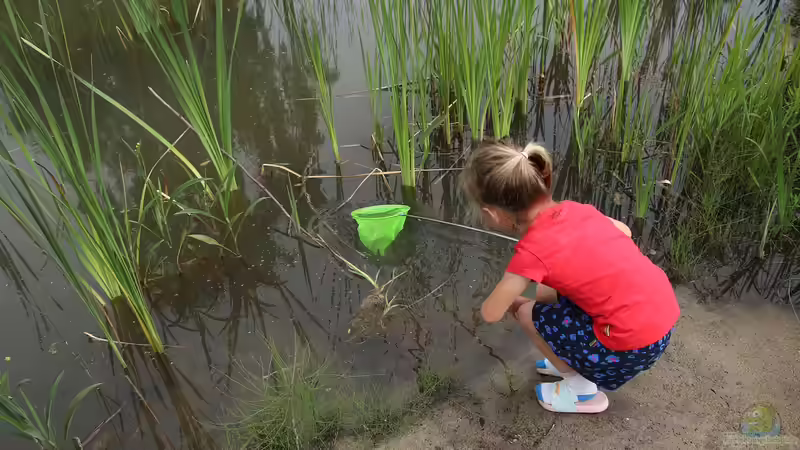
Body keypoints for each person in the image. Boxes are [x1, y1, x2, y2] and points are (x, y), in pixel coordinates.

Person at [461, 139, 680, 413]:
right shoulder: (576, 209)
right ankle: (569, 357)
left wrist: (509, 293)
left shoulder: (531, 253)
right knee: (542, 295)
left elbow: (492, 312)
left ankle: (582, 392)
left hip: (628, 349)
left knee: (526, 311)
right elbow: (624, 231)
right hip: (660, 327)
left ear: (492, 214)